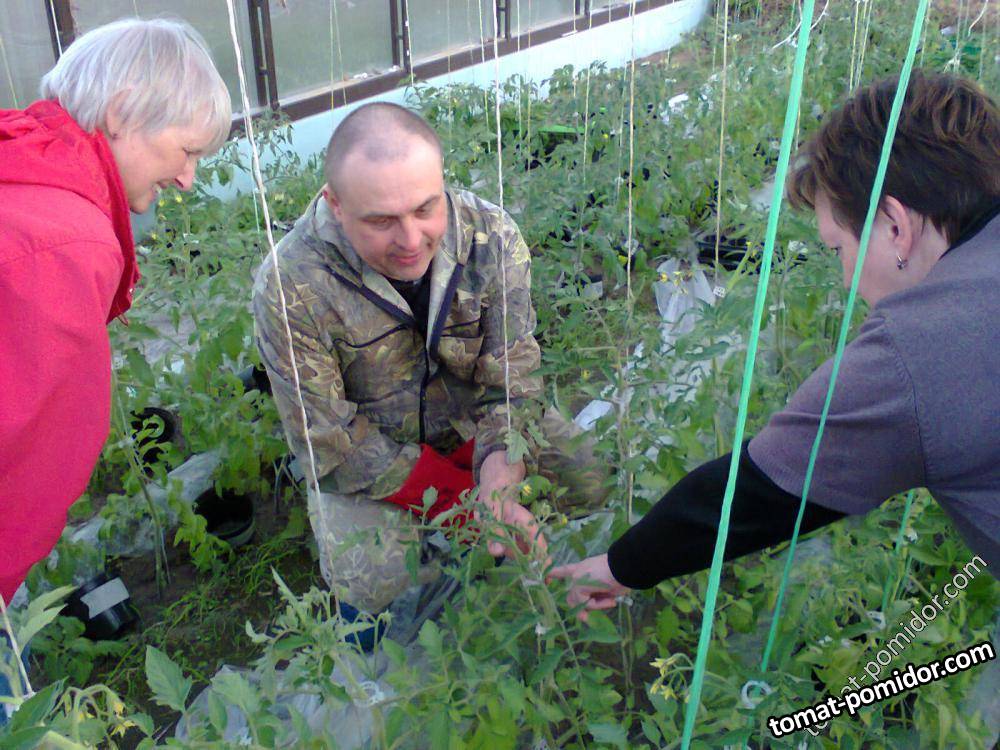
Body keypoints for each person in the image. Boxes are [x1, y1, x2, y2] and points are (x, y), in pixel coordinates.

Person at [550, 70, 1000, 617]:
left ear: (894, 225)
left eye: (838, 249)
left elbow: (762, 491)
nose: (847, 281)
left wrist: (622, 565)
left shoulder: (918, 349)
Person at [253, 102, 608, 629]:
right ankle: (366, 634)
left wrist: (498, 476)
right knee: (373, 578)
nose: (411, 240)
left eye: (426, 208)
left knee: (590, 477)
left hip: (472, 426)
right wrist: (461, 502)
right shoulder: (291, 285)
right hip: (376, 451)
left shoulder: (490, 237)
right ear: (336, 205)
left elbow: (513, 380)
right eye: (381, 221)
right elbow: (329, 439)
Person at [0, 18, 231, 605]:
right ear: (122, 113)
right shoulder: (64, 244)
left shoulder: (20, 167)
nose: (187, 179)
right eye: (187, 151)